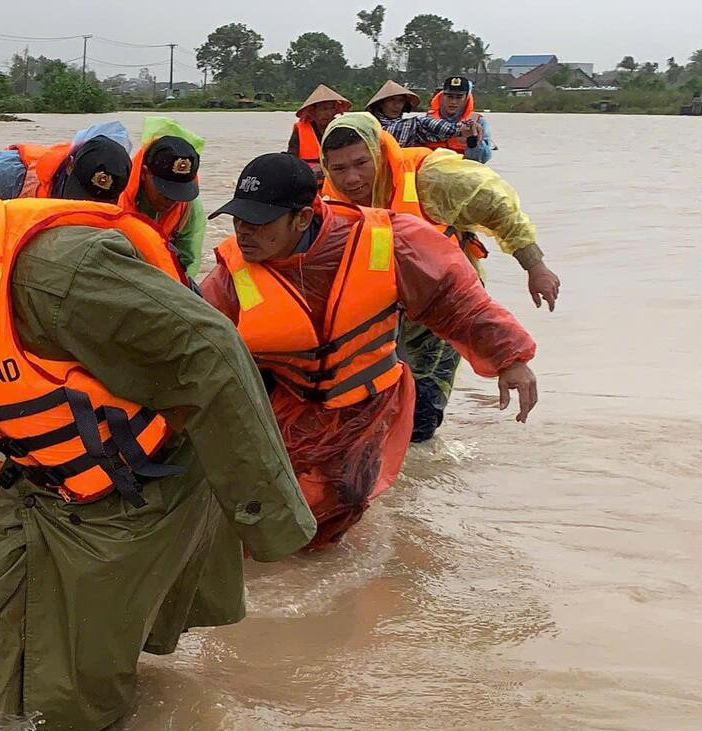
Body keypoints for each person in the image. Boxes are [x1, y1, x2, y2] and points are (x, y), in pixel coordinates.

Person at [0, 174, 314, 731]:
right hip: (36, 485)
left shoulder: (56, 278)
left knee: (64, 700)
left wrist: (266, 518)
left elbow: (210, 351)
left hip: (146, 486)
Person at [200, 154, 537, 547]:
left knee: (340, 504)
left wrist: (510, 358)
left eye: (259, 222)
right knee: (264, 508)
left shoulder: (389, 240)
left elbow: (456, 298)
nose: (244, 232)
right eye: (239, 219)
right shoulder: (231, 273)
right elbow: (193, 340)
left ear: (303, 219)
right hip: (286, 401)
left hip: (366, 403)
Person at [318, 112, 561, 441]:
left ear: (379, 153)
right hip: (382, 314)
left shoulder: (430, 177)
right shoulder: (325, 206)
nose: (351, 179)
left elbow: (496, 204)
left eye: (361, 163)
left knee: (421, 416)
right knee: (369, 414)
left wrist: (534, 265)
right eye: (339, 168)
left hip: (445, 306)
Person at [116, 117, 207, 278]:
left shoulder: (189, 209)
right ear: (144, 173)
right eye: (164, 191)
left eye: (179, 192)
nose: (171, 200)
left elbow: (188, 262)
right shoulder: (115, 197)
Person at [0, 121, 133, 203]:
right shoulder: (8, 173)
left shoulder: (121, 196)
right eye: (78, 197)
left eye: (96, 205)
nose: (82, 207)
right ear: (70, 165)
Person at [367, 78, 478, 154]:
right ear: (381, 103)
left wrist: (469, 135)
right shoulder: (370, 125)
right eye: (391, 100)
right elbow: (421, 123)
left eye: (400, 101)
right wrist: (458, 130)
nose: (396, 105)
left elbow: (431, 134)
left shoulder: (476, 121)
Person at [421, 75, 494, 163]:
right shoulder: (427, 119)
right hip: (433, 168)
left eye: (459, 97)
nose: (453, 102)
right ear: (443, 96)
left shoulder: (478, 121)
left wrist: (472, 140)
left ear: (466, 98)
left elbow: (483, 158)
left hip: (463, 169)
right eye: (450, 96)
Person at [288, 84, 353, 172]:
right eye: (324, 109)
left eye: (332, 108)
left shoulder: (341, 128)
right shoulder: (300, 130)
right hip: (308, 175)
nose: (328, 113)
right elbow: (292, 157)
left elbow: (350, 155)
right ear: (312, 111)